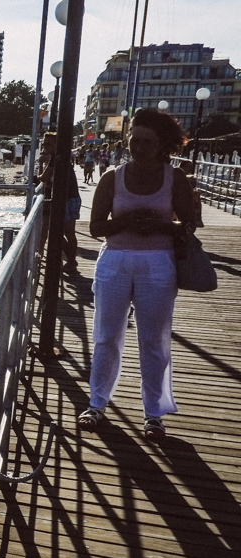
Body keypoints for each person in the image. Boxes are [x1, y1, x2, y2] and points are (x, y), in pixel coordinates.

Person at [77, 109, 195, 442]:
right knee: (105, 337)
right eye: (134, 141)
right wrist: (127, 222)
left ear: (161, 146)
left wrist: (162, 225)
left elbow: (188, 226)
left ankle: (154, 413)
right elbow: (96, 227)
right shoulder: (112, 177)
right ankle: (97, 403)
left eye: (147, 142)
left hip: (158, 264)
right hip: (114, 261)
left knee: (154, 341)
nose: (139, 148)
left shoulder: (176, 179)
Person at [37, 132, 82, 274]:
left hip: (68, 198)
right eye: (44, 144)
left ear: (56, 144)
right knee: (60, 231)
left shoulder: (56, 159)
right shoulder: (59, 158)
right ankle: (71, 260)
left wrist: (39, 164)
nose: (45, 147)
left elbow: (43, 178)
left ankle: (71, 261)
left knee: (66, 232)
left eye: (48, 144)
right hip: (68, 197)